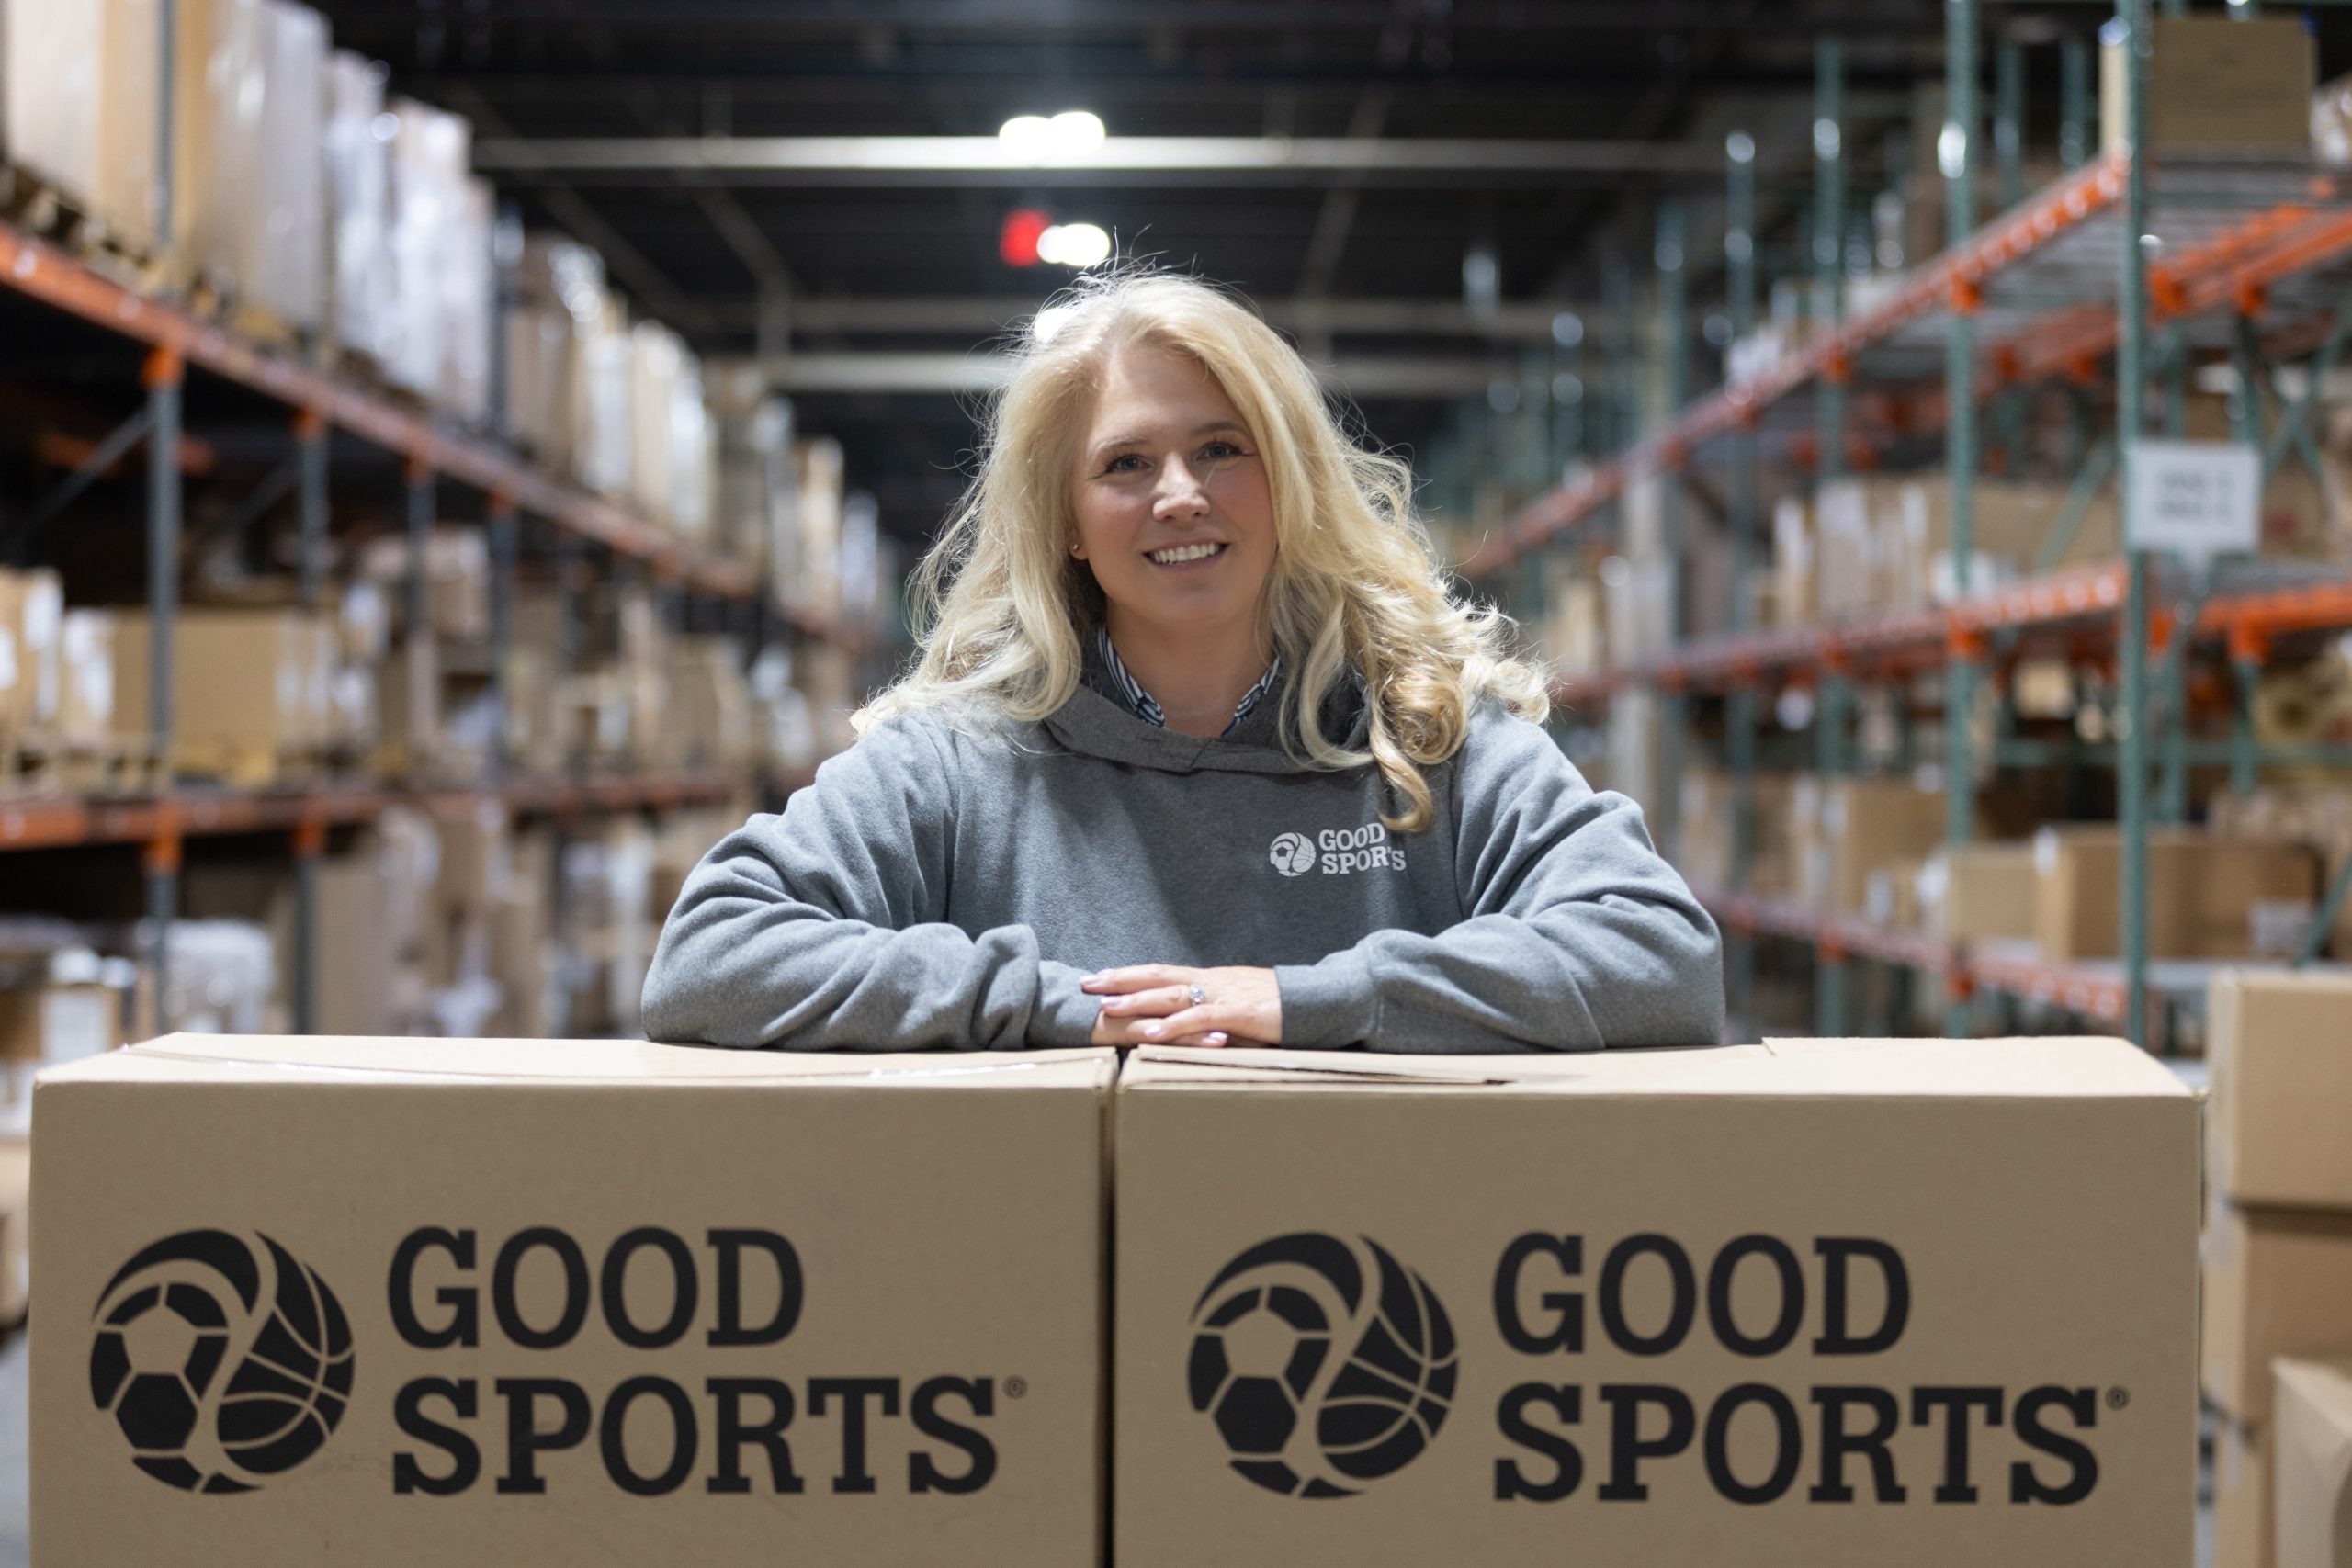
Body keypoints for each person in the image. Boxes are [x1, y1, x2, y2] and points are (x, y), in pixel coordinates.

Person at [642, 270, 1722, 1054]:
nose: (1179, 495)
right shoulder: (964, 761)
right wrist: (1067, 1006)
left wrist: (1310, 1000)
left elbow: (1660, 956)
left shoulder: (1426, 737)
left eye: (1220, 448)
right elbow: (712, 957)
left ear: (1287, 482)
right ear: (1065, 521)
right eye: (1124, 463)